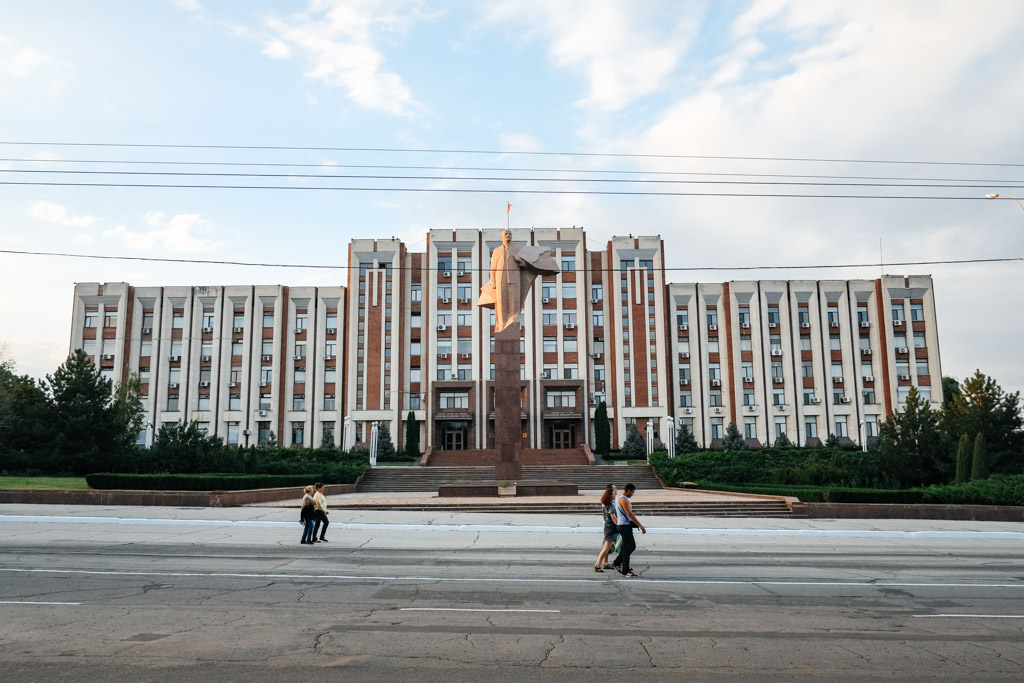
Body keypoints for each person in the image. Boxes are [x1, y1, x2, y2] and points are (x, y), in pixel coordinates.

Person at [612, 483, 646, 577]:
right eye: (632, 492)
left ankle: (617, 562)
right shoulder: (623, 500)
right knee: (630, 547)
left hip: (623, 525)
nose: (632, 494)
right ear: (628, 490)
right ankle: (625, 570)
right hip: (624, 526)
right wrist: (640, 526)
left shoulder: (618, 497)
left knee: (626, 547)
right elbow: (630, 514)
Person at [594, 484, 618, 572]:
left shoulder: (606, 504)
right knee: (609, 548)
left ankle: (599, 565)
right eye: (613, 493)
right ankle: (598, 564)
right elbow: (614, 518)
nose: (615, 494)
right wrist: (620, 526)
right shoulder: (610, 505)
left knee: (613, 547)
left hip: (608, 528)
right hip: (611, 528)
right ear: (610, 495)